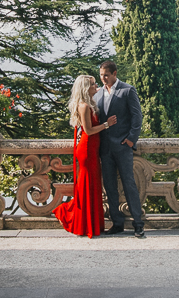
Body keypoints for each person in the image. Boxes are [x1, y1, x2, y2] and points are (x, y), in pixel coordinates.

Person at [54, 74, 117, 238]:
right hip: (87, 150)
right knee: (87, 186)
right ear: (85, 88)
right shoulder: (84, 106)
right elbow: (88, 131)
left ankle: (90, 224)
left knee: (92, 185)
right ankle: (72, 216)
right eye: (93, 85)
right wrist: (106, 125)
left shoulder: (90, 104)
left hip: (92, 150)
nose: (96, 87)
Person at [95, 60, 146, 238]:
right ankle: (117, 223)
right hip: (105, 148)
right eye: (101, 75)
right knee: (109, 186)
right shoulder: (98, 94)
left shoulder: (127, 90)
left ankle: (138, 224)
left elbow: (137, 117)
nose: (103, 79)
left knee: (129, 184)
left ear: (115, 74)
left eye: (106, 75)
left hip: (123, 146)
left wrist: (131, 140)